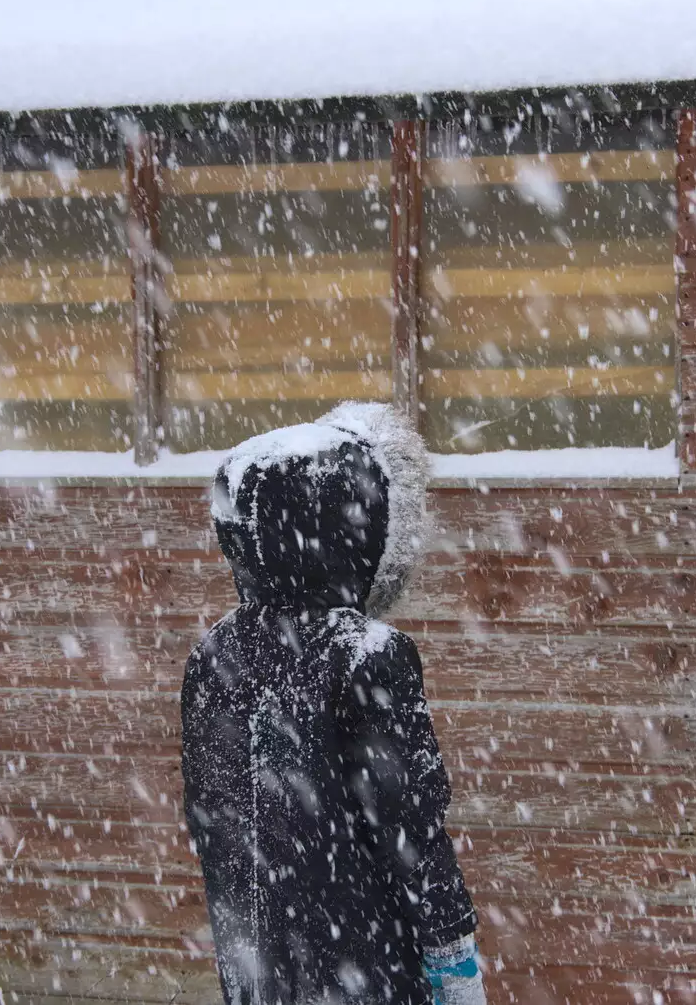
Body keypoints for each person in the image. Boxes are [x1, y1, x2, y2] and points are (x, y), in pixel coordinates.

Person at [181, 402, 485, 1005]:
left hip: (258, 969)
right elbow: (411, 830)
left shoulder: (213, 654)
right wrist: (453, 959)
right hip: (367, 966)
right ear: (359, 526)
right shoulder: (368, 654)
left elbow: (210, 819)